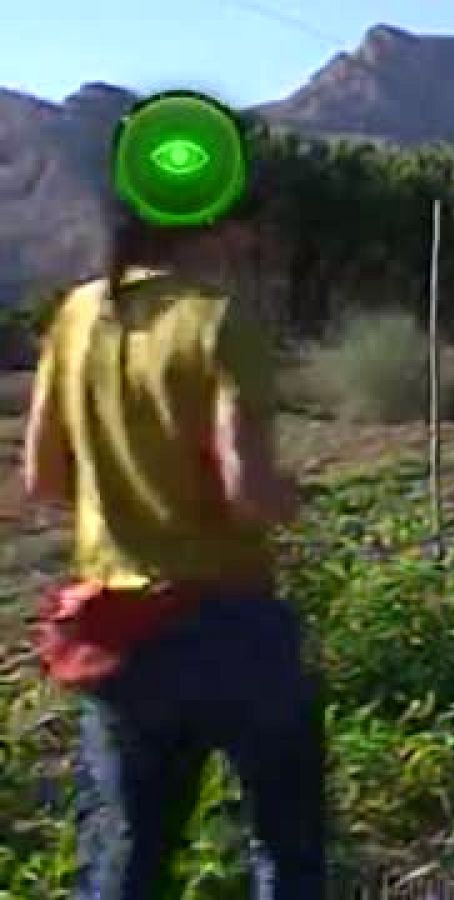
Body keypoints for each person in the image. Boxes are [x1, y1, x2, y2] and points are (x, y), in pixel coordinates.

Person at [22, 180, 327, 897]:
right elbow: (248, 494)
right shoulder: (221, 323)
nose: (253, 243)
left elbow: (42, 477)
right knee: (286, 846)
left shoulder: (77, 313)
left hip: (116, 628)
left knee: (129, 852)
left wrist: (130, 506)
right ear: (218, 224)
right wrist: (294, 502)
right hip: (230, 622)